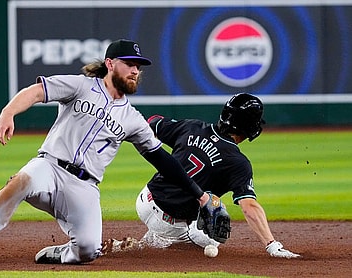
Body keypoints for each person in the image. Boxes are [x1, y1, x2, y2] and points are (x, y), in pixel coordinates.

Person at [0, 39, 213, 268]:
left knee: (88, 249)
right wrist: (8, 113)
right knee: (20, 181)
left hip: (84, 187)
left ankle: (63, 253)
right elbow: (37, 92)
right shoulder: (81, 86)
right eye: (129, 63)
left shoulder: (133, 119)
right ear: (110, 64)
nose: (135, 70)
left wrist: (200, 196)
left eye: (138, 66)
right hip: (49, 167)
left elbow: (163, 160)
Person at [103, 93, 300, 259]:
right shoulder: (238, 162)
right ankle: (137, 247)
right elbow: (249, 207)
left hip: (145, 199)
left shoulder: (192, 127)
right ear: (251, 127)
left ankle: (148, 240)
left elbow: (152, 123)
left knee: (205, 206)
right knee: (209, 237)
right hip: (168, 220)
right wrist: (272, 245)